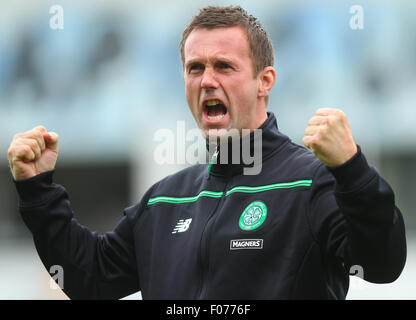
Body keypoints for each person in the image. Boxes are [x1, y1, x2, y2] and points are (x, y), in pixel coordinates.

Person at [8, 5, 406, 299]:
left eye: (224, 67)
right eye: (195, 68)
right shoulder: (166, 198)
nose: (207, 81)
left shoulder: (310, 182)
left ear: (264, 81)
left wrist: (352, 169)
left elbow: (383, 265)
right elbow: (89, 278)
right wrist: (38, 191)